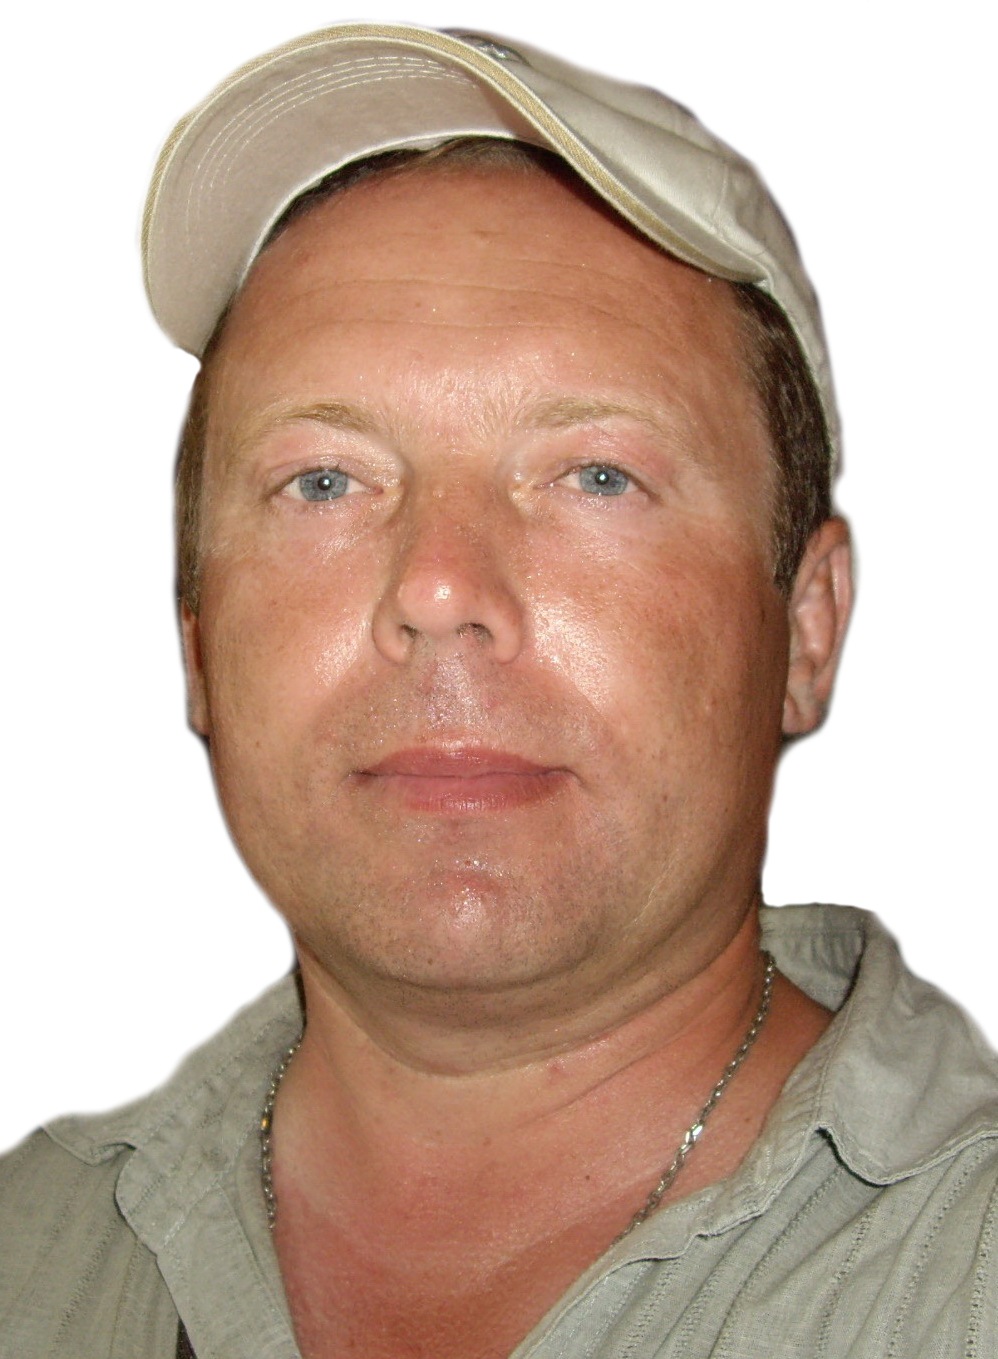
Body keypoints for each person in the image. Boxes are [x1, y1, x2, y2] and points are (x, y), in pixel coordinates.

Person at [1, 21, 995, 1358]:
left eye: (595, 475)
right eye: (323, 480)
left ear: (805, 632)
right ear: (198, 647)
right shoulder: (28, 1256)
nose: (436, 585)